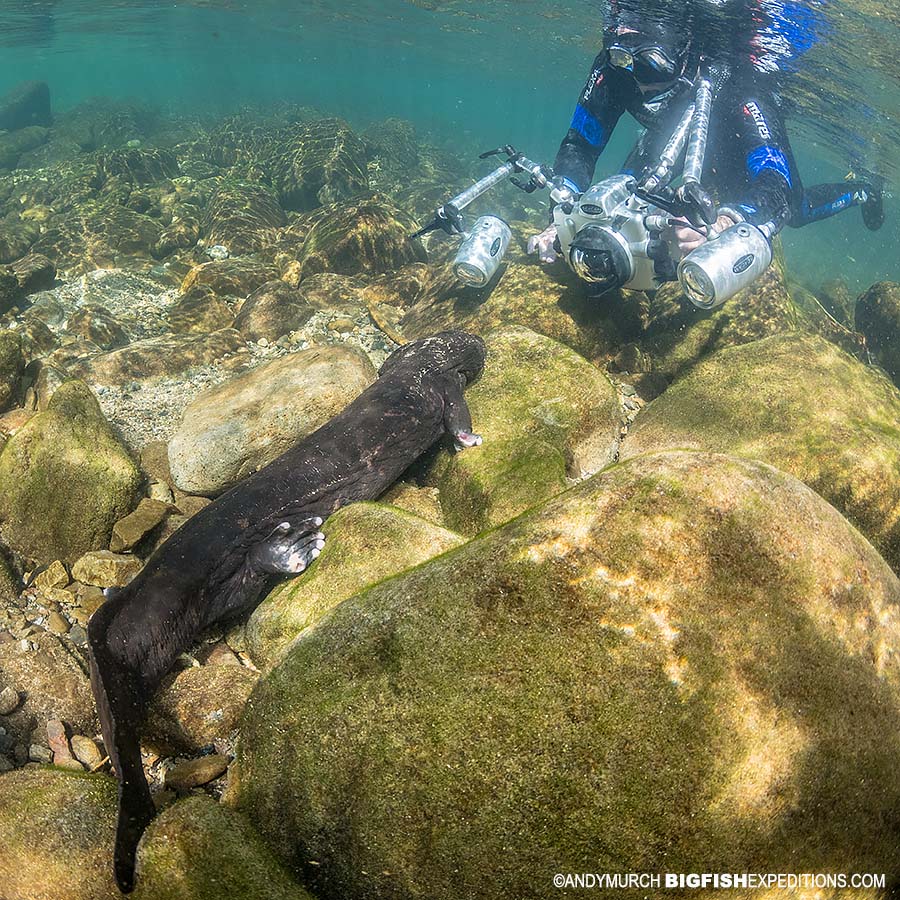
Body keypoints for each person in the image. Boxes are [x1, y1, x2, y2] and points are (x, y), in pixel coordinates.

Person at [528, 0, 884, 268]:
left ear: (688, 54)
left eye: (653, 64)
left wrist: (726, 222)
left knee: (796, 211)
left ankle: (864, 189)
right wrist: (561, 216)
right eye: (623, 59)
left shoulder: (739, 82)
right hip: (673, 134)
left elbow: (777, 185)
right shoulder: (614, 70)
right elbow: (580, 144)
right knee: (629, 187)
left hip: (731, 136)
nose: (636, 78)